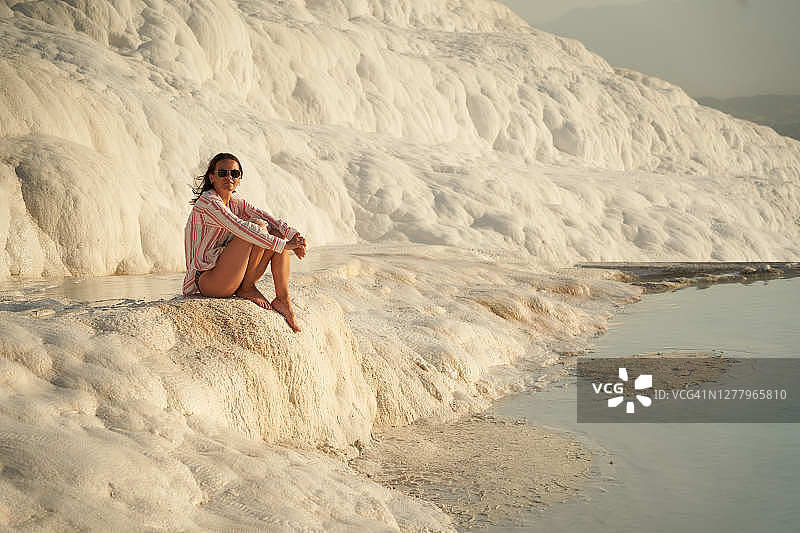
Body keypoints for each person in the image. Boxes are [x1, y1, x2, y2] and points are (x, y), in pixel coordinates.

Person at [183, 152, 306, 332]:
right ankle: (246, 288)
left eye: (234, 173)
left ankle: (282, 299)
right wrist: (284, 246)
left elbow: (269, 219)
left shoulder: (234, 202)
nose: (229, 177)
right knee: (255, 228)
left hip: (229, 274)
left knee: (277, 232)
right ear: (212, 177)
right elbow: (240, 227)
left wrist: (294, 236)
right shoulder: (207, 202)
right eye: (222, 173)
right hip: (207, 281)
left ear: (240, 178)